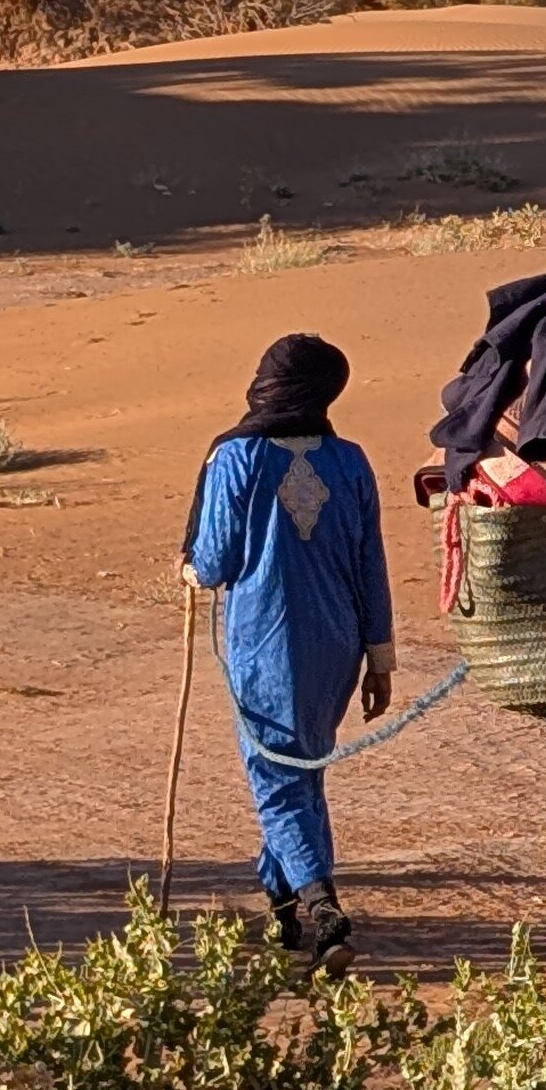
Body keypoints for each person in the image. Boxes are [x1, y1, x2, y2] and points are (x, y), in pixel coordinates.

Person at [177, 333, 393, 965]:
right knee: (302, 771)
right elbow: (370, 563)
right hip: (337, 646)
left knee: (276, 778)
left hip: (265, 641)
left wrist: (189, 572)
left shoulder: (236, 458)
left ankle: (324, 909)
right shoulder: (351, 461)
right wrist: (380, 657)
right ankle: (280, 908)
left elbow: (213, 561)